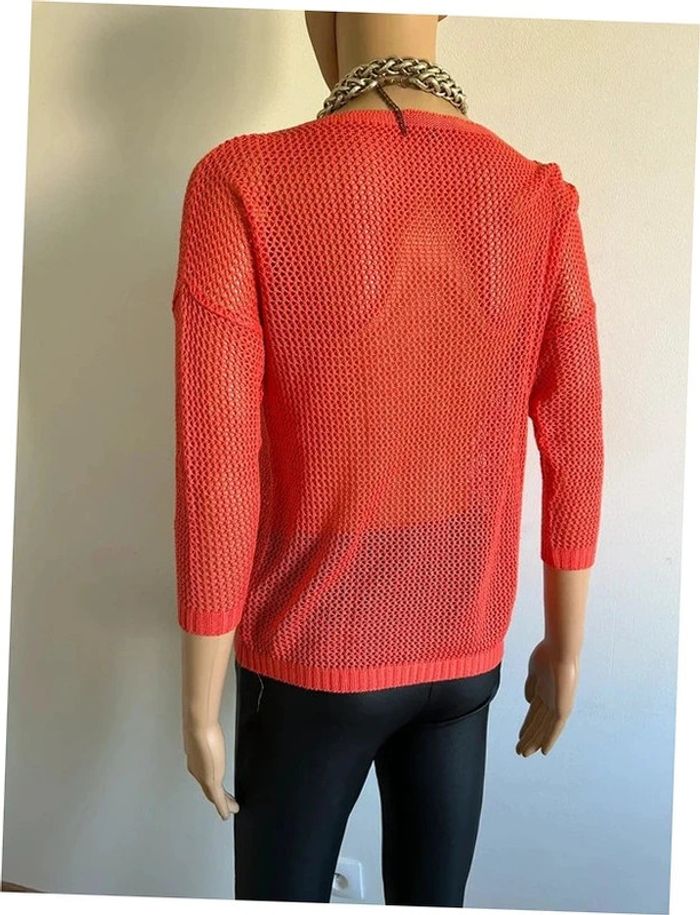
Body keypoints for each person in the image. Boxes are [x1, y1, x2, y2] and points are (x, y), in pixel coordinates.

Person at [171, 11, 604, 907]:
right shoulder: (537, 199)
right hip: (464, 650)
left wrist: (200, 700)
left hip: (310, 657)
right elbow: (578, 442)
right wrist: (564, 652)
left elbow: (216, 465)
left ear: (317, 14)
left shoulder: (243, 182)